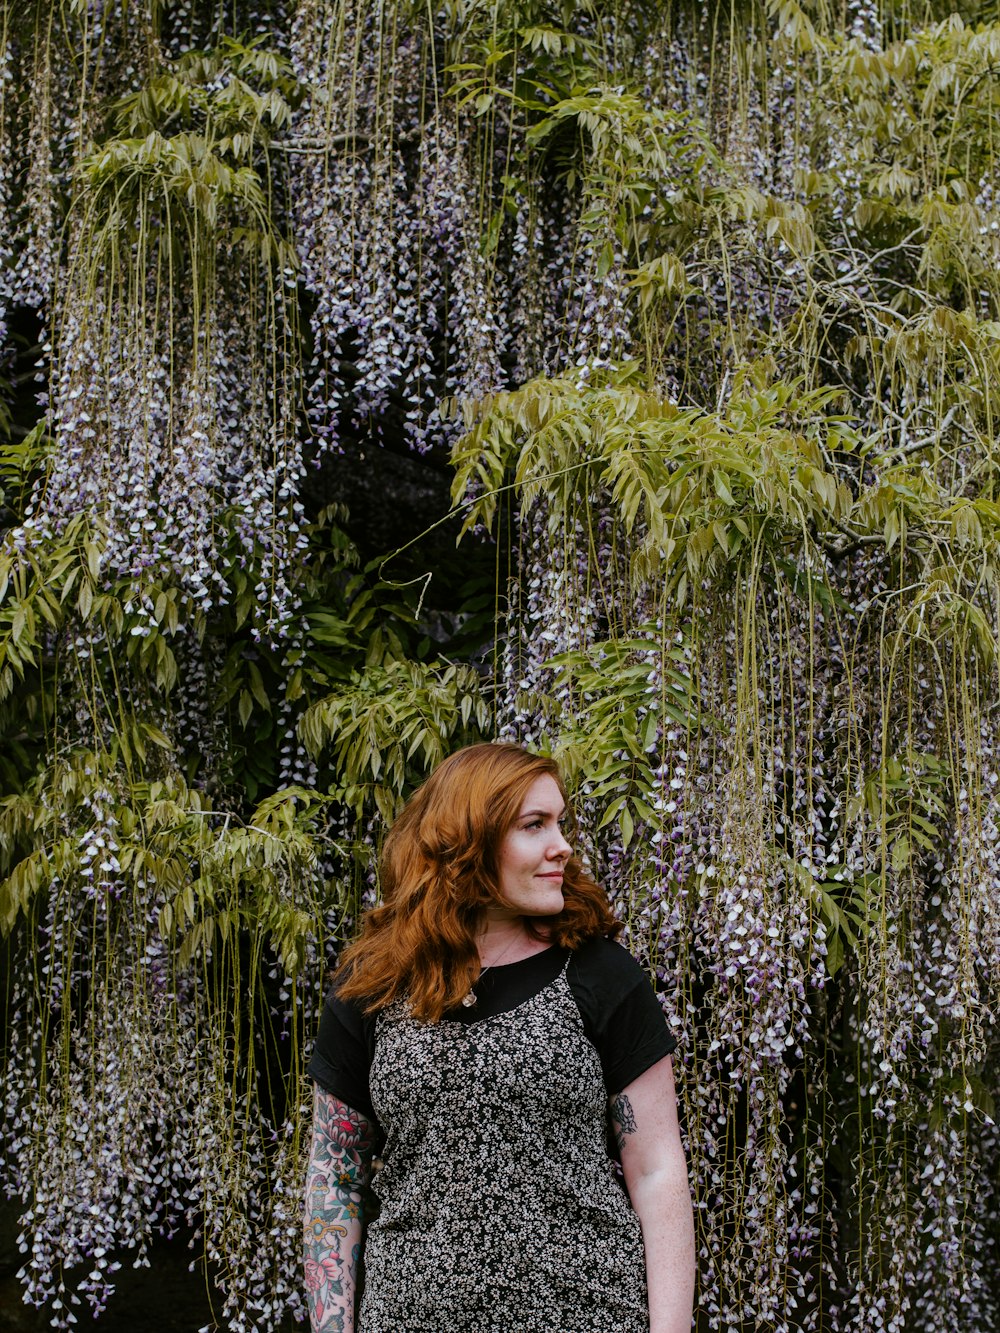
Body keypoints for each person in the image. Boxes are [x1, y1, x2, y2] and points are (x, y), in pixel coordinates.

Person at [303, 741, 695, 1332]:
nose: (561, 844)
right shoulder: (374, 988)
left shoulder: (600, 975)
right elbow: (336, 1172)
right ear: (466, 842)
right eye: (533, 825)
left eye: (560, 823)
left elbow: (656, 1168)